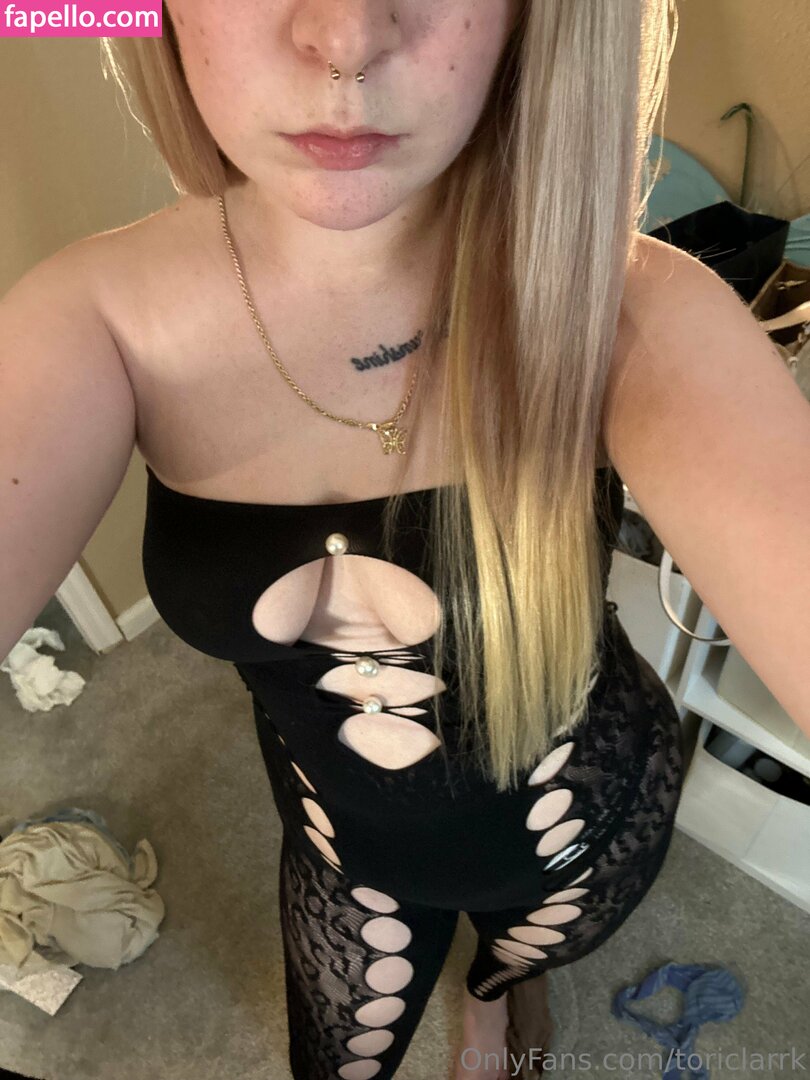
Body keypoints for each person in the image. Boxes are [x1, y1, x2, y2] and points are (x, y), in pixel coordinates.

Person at [9, 1, 809, 1078]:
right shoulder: (87, 320)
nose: (345, 37)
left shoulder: (634, 313)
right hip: (341, 844)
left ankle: (495, 994)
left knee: (506, 968)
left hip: (583, 831)